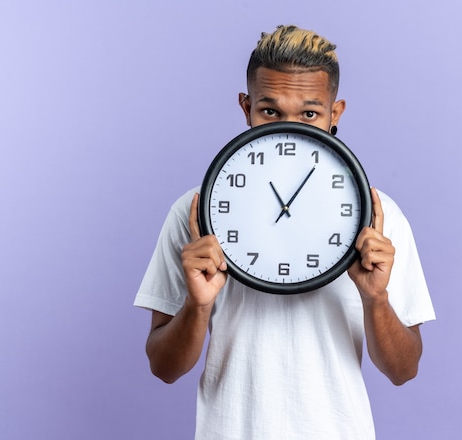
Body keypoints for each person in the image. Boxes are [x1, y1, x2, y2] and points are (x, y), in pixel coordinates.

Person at [134, 24, 435, 439]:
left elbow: (404, 370)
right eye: (270, 111)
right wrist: (197, 305)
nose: (289, 129)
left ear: (335, 114)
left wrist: (376, 298)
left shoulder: (379, 218)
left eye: (309, 113)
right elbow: (163, 368)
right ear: (246, 108)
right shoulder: (197, 213)